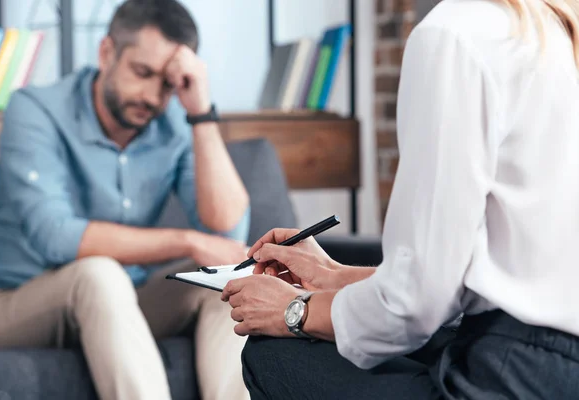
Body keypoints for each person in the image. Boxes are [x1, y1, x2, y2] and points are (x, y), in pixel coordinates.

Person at [221, 0, 579, 398]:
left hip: (512, 370)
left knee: (274, 354)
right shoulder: (553, 32)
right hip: (552, 363)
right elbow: (483, 280)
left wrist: (295, 311)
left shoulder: (455, 33)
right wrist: (335, 277)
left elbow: (416, 306)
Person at [0, 1, 251, 399]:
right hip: (12, 302)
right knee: (98, 273)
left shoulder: (173, 123)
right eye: (142, 73)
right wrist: (186, 242)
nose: (152, 96)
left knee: (229, 277)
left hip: (121, 299)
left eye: (167, 84)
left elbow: (226, 231)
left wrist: (201, 115)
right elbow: (54, 236)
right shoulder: (35, 109)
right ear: (106, 52)